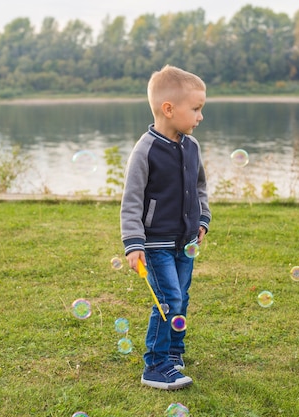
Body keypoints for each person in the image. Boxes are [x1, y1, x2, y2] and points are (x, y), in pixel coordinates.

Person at [120, 65, 211, 390]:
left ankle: (173, 352)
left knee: (181, 298)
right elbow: (131, 200)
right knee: (167, 299)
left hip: (185, 241)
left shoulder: (192, 146)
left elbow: (200, 187)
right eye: (196, 109)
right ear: (168, 109)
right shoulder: (146, 149)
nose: (200, 117)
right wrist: (134, 243)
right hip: (155, 243)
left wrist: (202, 218)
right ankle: (155, 367)